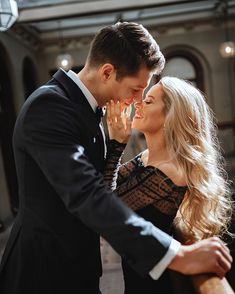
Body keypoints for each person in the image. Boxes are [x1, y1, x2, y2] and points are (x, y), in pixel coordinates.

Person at [0, 22, 232, 294]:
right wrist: (176, 255)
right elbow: (87, 195)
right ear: (108, 72)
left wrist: (114, 145)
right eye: (136, 89)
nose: (136, 101)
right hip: (42, 274)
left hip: (78, 268)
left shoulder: (87, 111)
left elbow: (101, 187)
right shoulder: (50, 106)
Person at [105, 76, 234, 293]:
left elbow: (105, 209)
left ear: (170, 116)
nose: (139, 104)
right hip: (141, 271)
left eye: (149, 101)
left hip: (157, 283)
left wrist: (116, 144)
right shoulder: (146, 158)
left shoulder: (169, 171)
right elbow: (103, 189)